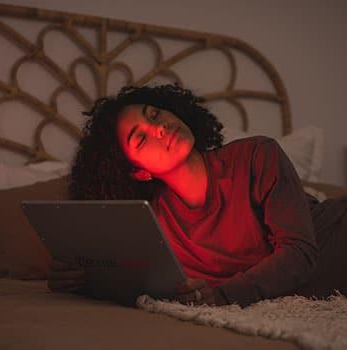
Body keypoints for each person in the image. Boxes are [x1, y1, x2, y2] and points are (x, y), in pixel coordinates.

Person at [48, 84, 347, 307]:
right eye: (141, 138)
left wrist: (221, 295)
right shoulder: (156, 225)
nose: (160, 127)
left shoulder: (257, 155)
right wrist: (82, 281)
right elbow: (142, 286)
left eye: (154, 114)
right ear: (139, 172)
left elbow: (300, 254)